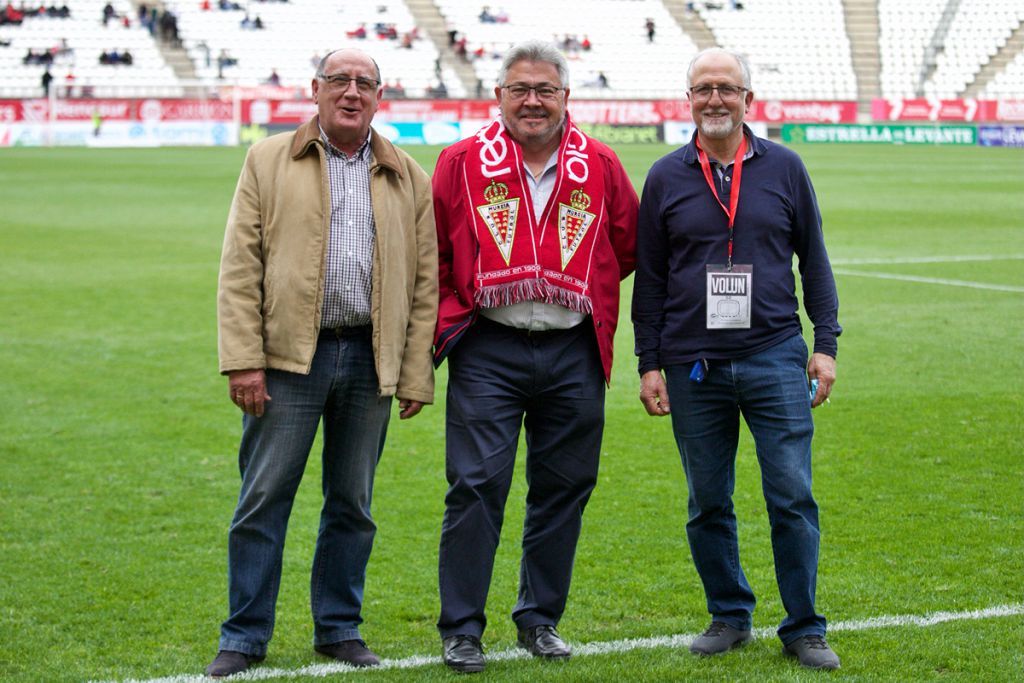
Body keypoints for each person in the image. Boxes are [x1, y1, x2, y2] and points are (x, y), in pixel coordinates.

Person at [207, 47, 438, 678]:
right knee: (262, 500)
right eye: (340, 80)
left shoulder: (407, 174)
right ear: (315, 89)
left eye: (365, 83)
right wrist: (244, 360)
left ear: (379, 96)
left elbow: (424, 284)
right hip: (286, 362)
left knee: (352, 504)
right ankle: (245, 635)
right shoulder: (267, 159)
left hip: (369, 358)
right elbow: (239, 267)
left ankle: (339, 627)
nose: (352, 92)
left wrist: (415, 371)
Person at [631, 47, 842, 670]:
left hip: (775, 356)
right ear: (688, 99)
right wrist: (648, 362)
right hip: (692, 365)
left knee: (791, 495)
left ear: (749, 99)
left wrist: (824, 346)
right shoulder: (666, 176)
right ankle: (729, 614)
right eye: (703, 88)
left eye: (727, 88)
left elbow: (816, 261)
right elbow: (651, 281)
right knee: (707, 500)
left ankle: (804, 626)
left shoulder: (785, 168)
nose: (715, 99)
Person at [431, 40, 637, 674]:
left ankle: (539, 618)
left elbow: (625, 247)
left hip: (573, 348)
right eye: (519, 89)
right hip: (489, 346)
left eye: (545, 90)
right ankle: (462, 628)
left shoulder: (600, 164)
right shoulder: (462, 163)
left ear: (565, 97)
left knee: (564, 487)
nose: (532, 101)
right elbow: (434, 251)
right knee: (474, 486)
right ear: (498, 97)